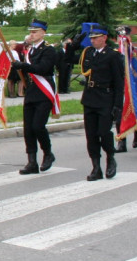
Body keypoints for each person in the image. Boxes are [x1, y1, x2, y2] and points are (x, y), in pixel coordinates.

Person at [64, 24, 125, 180]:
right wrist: (73, 45)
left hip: (106, 98)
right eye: (91, 38)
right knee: (91, 135)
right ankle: (96, 167)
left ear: (104, 38)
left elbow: (119, 82)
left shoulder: (113, 55)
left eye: (96, 38)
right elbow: (68, 59)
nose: (93, 41)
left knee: (103, 133)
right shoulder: (88, 53)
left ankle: (110, 158)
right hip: (90, 97)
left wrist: (118, 105)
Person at [9, 19, 59, 173]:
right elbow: (27, 72)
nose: (32, 34)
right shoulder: (30, 51)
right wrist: (19, 68)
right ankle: (32, 162)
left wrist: (23, 65)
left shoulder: (48, 50)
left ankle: (47, 153)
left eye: (35, 31)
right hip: (31, 92)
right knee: (28, 129)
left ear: (43, 32)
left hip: (44, 93)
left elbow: (43, 68)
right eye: (31, 31)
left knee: (38, 126)